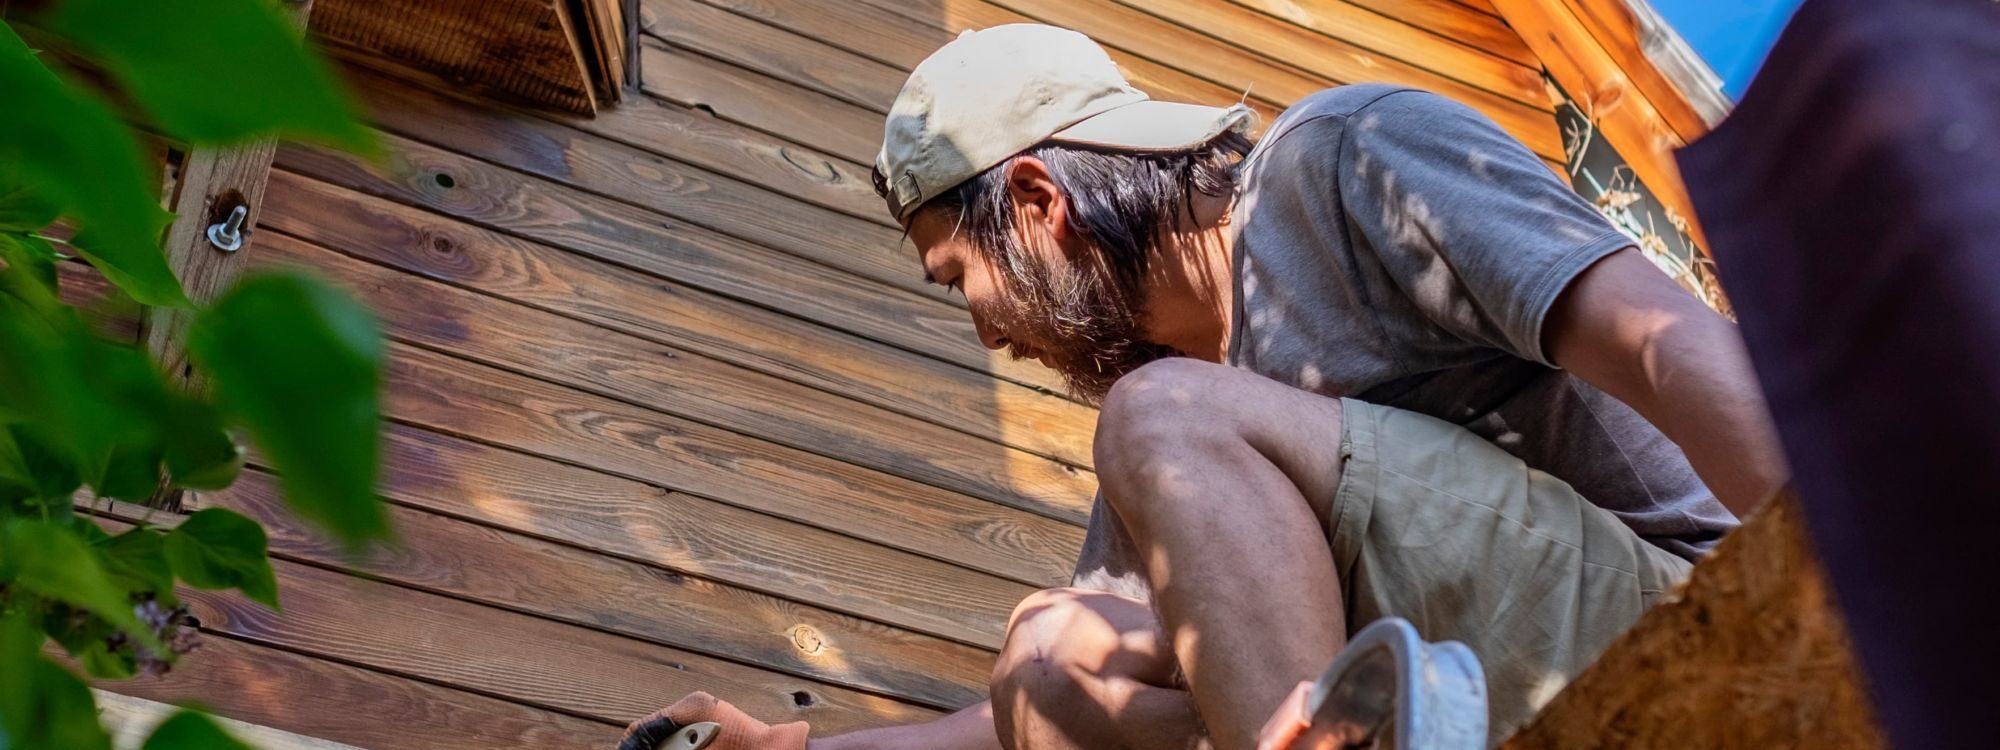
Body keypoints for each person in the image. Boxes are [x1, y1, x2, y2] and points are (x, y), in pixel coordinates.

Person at [623, 23, 1788, 750]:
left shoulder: (1343, 163)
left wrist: (1855, 601)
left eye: (958, 277)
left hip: (1697, 612)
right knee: (1047, 652)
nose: (981, 328)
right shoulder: (1186, 410)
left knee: (1159, 426)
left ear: (1036, 203)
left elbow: (1661, 343)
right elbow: (1027, 721)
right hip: (1478, 690)